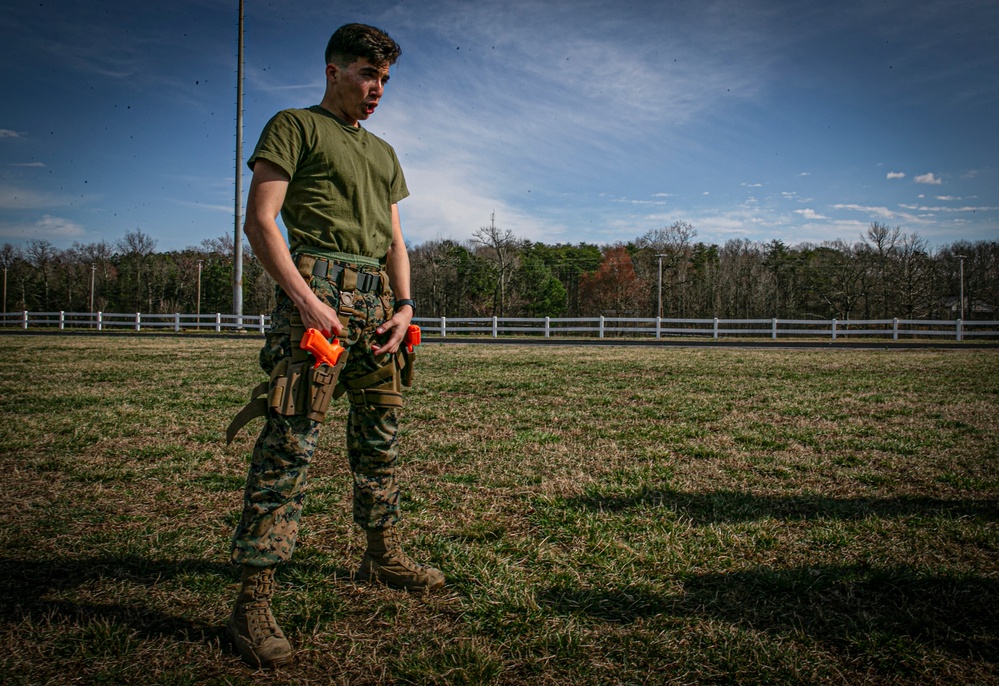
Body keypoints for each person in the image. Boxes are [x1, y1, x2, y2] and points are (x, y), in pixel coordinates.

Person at [224, 23, 443, 669]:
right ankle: (252, 600)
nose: (376, 90)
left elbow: (395, 241)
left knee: (380, 441)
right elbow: (259, 221)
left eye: (384, 80)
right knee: (288, 447)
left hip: (379, 310)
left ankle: (382, 556)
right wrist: (304, 299)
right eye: (365, 76)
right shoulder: (293, 125)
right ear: (333, 71)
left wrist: (404, 308)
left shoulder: (383, 151)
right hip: (317, 299)